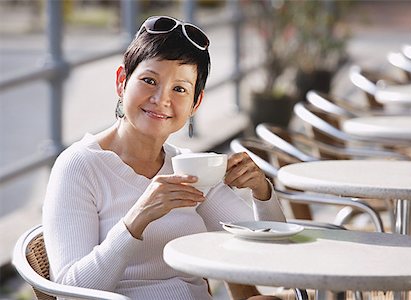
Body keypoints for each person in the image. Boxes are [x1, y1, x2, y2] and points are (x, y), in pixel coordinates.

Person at [42, 16, 286, 300]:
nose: (161, 99)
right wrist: (137, 218)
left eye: (180, 89)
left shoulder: (189, 168)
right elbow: (70, 294)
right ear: (122, 81)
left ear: (196, 103)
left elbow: (269, 249)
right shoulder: (80, 166)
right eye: (149, 80)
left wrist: (262, 190)